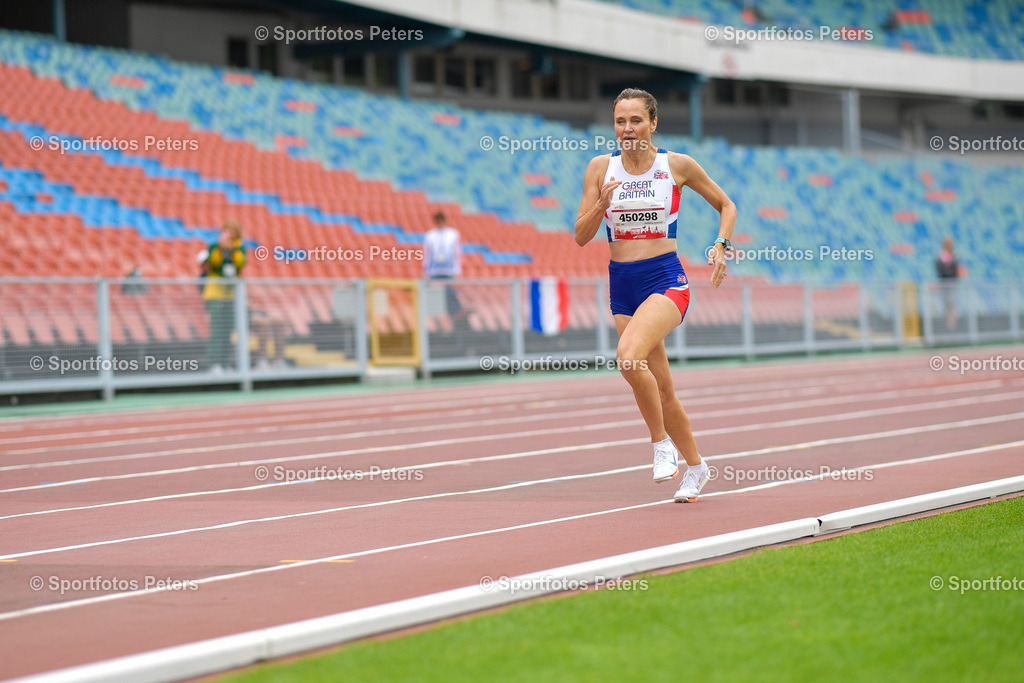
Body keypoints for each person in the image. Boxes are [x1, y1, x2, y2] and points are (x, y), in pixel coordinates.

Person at [574, 88, 736, 503]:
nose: (627, 130)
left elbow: (726, 204)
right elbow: (580, 236)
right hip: (622, 283)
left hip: (665, 279)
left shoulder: (676, 165)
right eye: (620, 122)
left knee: (628, 356)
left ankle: (660, 443)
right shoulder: (599, 168)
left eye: (636, 121)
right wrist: (600, 205)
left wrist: (721, 245)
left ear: (653, 123)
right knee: (662, 389)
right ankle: (697, 467)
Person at [202, 221, 247, 373]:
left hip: (231, 295)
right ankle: (214, 364)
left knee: (228, 331)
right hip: (215, 294)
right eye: (226, 230)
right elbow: (213, 264)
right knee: (217, 330)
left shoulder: (239, 248)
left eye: (231, 230)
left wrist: (233, 250)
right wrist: (221, 249)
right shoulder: (214, 247)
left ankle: (225, 363)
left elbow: (240, 264)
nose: (229, 233)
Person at [423, 211, 469, 341]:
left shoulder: (453, 234)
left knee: (449, 292)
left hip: (448, 270)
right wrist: (426, 271)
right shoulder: (430, 236)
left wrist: (457, 270)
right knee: (436, 295)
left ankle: (454, 315)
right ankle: (437, 321)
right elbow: (428, 254)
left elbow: (456, 252)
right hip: (434, 271)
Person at [934, 237, 960, 331]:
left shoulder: (955, 255)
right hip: (944, 282)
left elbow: (955, 268)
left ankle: (952, 327)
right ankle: (946, 326)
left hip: (952, 282)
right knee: (945, 304)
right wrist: (946, 273)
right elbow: (939, 268)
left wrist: (949, 273)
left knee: (952, 304)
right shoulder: (940, 255)